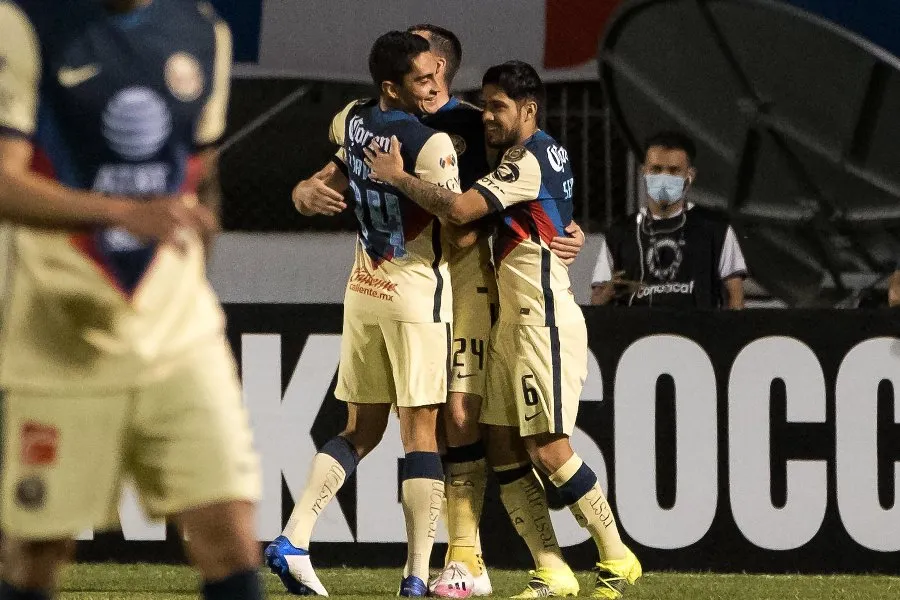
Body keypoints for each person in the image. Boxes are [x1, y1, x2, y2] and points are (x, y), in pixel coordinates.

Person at [282, 26, 584, 599]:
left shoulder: (476, 125)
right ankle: (442, 566)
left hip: (463, 292)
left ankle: (463, 561)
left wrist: (565, 227)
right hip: (398, 288)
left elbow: (508, 199)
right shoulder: (368, 116)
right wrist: (304, 191)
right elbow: (330, 175)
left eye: (429, 64)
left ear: (442, 66)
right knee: (412, 426)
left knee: (460, 418)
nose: (424, 75)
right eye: (413, 68)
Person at [0, 1, 264, 600]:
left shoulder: (203, 33)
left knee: (229, 534)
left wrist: (198, 256)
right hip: (62, 337)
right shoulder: (25, 24)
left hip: (178, 334)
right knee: (37, 554)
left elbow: (201, 172)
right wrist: (121, 213)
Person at [365, 60, 642, 600]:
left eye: (498, 107)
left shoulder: (529, 157)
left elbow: (464, 209)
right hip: (511, 322)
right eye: (485, 105)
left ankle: (617, 553)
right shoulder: (538, 153)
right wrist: (568, 232)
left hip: (542, 319)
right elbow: (550, 216)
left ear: (528, 110)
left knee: (549, 448)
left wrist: (398, 178)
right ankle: (552, 569)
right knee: (501, 444)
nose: (488, 116)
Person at [264, 31, 460, 597]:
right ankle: (417, 577)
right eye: (423, 80)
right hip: (414, 292)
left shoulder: (353, 118)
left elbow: (333, 169)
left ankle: (294, 539)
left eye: (435, 76)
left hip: (363, 286)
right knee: (422, 433)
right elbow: (456, 215)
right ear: (392, 87)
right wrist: (401, 179)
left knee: (360, 429)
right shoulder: (431, 143)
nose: (433, 87)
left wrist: (307, 188)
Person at [590, 131, 747, 308]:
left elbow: (736, 296)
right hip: (638, 333)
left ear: (690, 176)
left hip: (698, 332)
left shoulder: (715, 228)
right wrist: (608, 294)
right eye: (656, 170)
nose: (664, 177)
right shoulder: (620, 232)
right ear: (644, 172)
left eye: (673, 171)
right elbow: (597, 300)